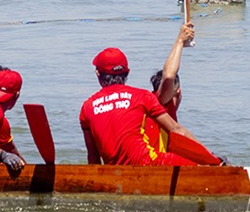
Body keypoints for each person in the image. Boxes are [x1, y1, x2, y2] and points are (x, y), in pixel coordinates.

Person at [79, 44, 220, 167]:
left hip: (118, 170)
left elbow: (93, 157)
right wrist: (213, 159)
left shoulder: (87, 107)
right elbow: (177, 130)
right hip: (150, 163)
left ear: (98, 74)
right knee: (206, 167)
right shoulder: (142, 96)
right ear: (127, 73)